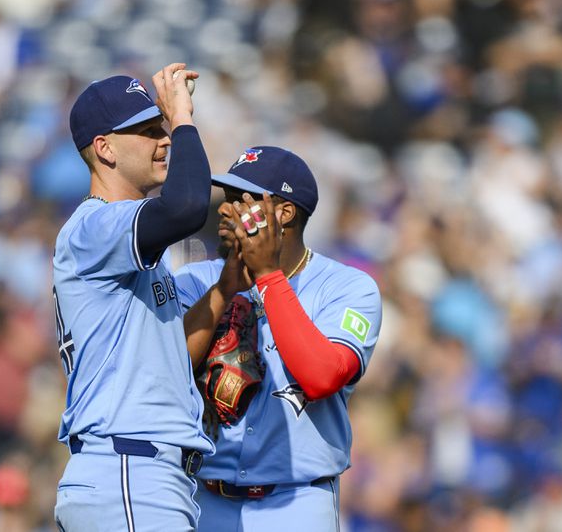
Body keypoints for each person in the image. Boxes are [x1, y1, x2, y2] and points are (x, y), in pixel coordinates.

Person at [175, 146, 382, 531]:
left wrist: (268, 276)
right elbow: (163, 374)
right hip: (202, 497)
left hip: (297, 502)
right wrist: (222, 292)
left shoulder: (349, 287)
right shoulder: (195, 281)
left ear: (284, 213)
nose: (225, 209)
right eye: (226, 197)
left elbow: (322, 377)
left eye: (241, 200)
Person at [52, 64, 214, 532]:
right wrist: (183, 120)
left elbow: (168, 361)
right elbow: (186, 207)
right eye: (146, 131)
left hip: (136, 474)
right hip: (128, 468)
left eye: (162, 128)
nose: (163, 139)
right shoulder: (94, 227)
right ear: (104, 148)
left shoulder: (132, 251)